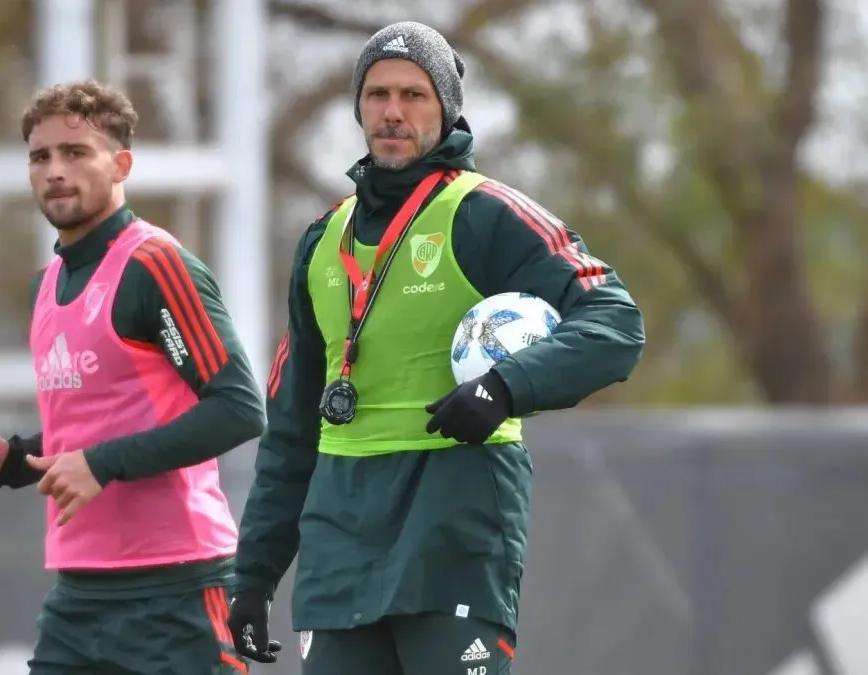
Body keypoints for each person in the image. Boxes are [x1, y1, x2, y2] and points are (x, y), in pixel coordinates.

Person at [226, 21, 645, 675]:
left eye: (415, 95)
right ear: (359, 107)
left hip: (453, 530)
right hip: (339, 552)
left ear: (446, 107)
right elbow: (290, 433)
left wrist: (504, 386)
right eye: (378, 94)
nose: (394, 112)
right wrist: (252, 577)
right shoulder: (320, 243)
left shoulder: (486, 214)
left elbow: (616, 322)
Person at [0, 79, 263, 675]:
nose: (55, 171)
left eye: (75, 153)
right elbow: (102, 425)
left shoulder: (153, 265)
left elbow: (238, 407)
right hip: (80, 595)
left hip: (177, 589)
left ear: (121, 164)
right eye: (40, 157)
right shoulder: (47, 286)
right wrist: (14, 462)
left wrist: (102, 464)